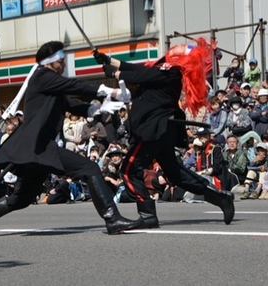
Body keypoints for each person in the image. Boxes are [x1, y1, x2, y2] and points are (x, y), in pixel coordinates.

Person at [0, 41, 141, 238]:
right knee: (89, 168)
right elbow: (74, 85)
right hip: (39, 147)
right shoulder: (42, 76)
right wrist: (110, 91)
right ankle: (112, 219)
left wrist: (98, 108)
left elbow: (69, 104)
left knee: (20, 199)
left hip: (36, 149)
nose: (63, 64)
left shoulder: (48, 81)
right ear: (51, 61)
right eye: (61, 60)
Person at [93, 38, 235, 228]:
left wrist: (116, 72)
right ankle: (220, 197)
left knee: (128, 170)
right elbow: (139, 70)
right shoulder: (164, 68)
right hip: (161, 130)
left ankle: (147, 214)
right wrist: (109, 60)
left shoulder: (172, 71)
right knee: (176, 174)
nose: (176, 47)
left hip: (154, 130)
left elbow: (141, 76)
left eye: (181, 48)